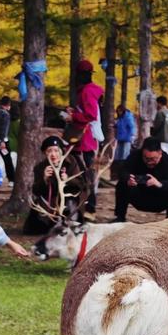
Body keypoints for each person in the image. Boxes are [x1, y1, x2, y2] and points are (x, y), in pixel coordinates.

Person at [66, 59, 104, 221]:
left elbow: (90, 115)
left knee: (86, 175)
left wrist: (72, 116)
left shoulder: (87, 91)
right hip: (83, 139)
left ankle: (90, 209)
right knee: (83, 174)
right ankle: (83, 207)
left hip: (84, 140)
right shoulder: (87, 90)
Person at [23, 135, 83, 235]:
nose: (53, 154)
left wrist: (68, 180)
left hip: (67, 202)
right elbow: (36, 191)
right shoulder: (40, 167)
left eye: (56, 150)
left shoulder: (71, 162)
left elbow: (81, 185)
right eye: (49, 151)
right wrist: (44, 179)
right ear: (45, 153)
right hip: (49, 204)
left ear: (62, 151)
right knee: (34, 228)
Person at [113, 136, 168, 221]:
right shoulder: (135, 155)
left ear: (160, 153)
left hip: (159, 198)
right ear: (142, 152)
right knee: (121, 185)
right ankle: (120, 217)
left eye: (153, 159)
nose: (149, 162)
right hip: (139, 195)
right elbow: (122, 172)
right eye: (146, 158)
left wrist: (159, 184)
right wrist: (128, 179)